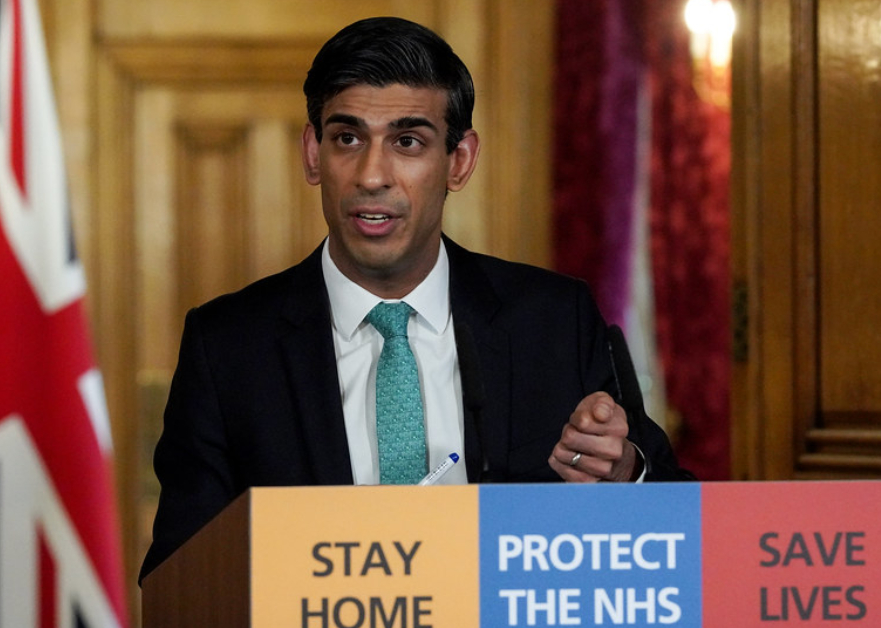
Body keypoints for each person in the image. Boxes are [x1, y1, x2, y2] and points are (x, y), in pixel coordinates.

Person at [139, 16, 691, 582]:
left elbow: (678, 528)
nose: (372, 175)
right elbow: (178, 577)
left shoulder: (553, 321)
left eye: (407, 141)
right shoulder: (228, 346)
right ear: (312, 153)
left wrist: (623, 474)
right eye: (347, 138)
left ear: (459, 161)